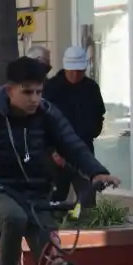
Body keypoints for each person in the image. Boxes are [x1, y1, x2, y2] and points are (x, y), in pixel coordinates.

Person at [0, 57, 119, 265]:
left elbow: (73, 145)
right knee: (14, 217)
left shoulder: (48, 114)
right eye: (27, 92)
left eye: (38, 91)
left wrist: (97, 172)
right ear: (10, 90)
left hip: (37, 197)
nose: (34, 98)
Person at [42, 45, 106, 204]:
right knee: (55, 196)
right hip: (56, 153)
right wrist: (52, 151)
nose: (76, 75)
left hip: (83, 149)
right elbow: (42, 121)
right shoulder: (51, 88)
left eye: (80, 71)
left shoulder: (91, 88)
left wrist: (92, 132)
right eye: (72, 71)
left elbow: (99, 114)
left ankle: (83, 218)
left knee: (87, 196)